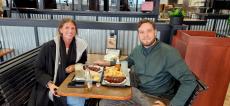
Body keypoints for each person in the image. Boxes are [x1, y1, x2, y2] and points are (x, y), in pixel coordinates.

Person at [94, 19, 197, 106]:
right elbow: (126, 62)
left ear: (155, 32)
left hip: (156, 99)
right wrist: (107, 63)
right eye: (141, 32)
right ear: (138, 34)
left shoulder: (169, 53)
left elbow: (190, 81)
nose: (145, 35)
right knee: (104, 103)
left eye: (149, 31)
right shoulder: (137, 50)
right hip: (137, 93)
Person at [28, 18, 88, 106]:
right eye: (67, 28)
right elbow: (38, 70)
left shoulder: (79, 45)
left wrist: (74, 67)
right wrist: (50, 84)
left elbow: (83, 61)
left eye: (73, 28)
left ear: (76, 31)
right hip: (51, 86)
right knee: (78, 101)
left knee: (87, 95)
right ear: (61, 30)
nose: (70, 31)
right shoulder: (48, 47)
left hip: (70, 83)